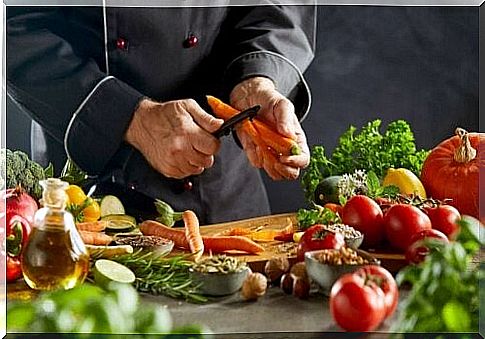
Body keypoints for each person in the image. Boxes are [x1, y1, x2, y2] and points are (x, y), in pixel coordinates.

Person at [6, 4, 316, 224]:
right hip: (87, 196)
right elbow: (12, 26)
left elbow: (279, 8)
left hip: (225, 195)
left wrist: (258, 77)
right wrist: (131, 118)